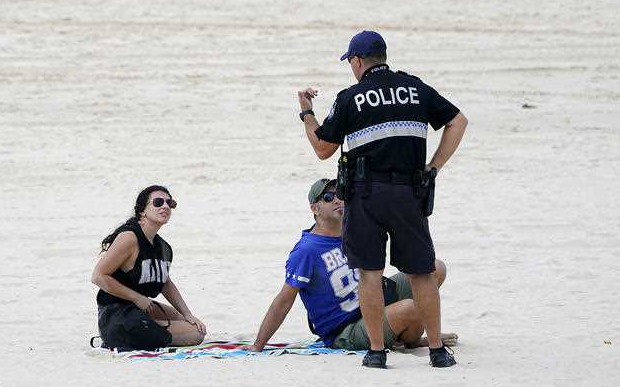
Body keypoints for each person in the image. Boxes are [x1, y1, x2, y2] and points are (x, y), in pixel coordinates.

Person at [297, 30, 468, 368]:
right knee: (422, 272)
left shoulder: (352, 97)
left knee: (370, 273)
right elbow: (457, 121)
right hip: (409, 193)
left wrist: (306, 113)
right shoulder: (415, 88)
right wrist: (433, 167)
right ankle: (437, 352)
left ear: (357, 61)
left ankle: (376, 352)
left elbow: (322, 148)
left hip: (365, 195)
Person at [244, 178, 455, 353]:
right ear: (315, 208)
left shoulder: (352, 231)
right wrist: (258, 345)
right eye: (328, 197)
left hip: (376, 298)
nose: (337, 200)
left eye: (340, 195)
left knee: (435, 269)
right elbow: (284, 300)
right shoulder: (306, 250)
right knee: (412, 308)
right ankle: (413, 340)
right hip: (346, 328)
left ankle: (406, 333)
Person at [91, 185, 206, 351]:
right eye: (158, 202)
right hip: (116, 314)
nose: (165, 206)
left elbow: (165, 282)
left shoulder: (163, 247)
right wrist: (137, 298)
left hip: (140, 309)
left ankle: (145, 330)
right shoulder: (129, 238)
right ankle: (122, 334)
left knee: (186, 322)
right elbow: (98, 276)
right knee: (195, 334)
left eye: (170, 203)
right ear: (143, 210)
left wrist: (188, 314)